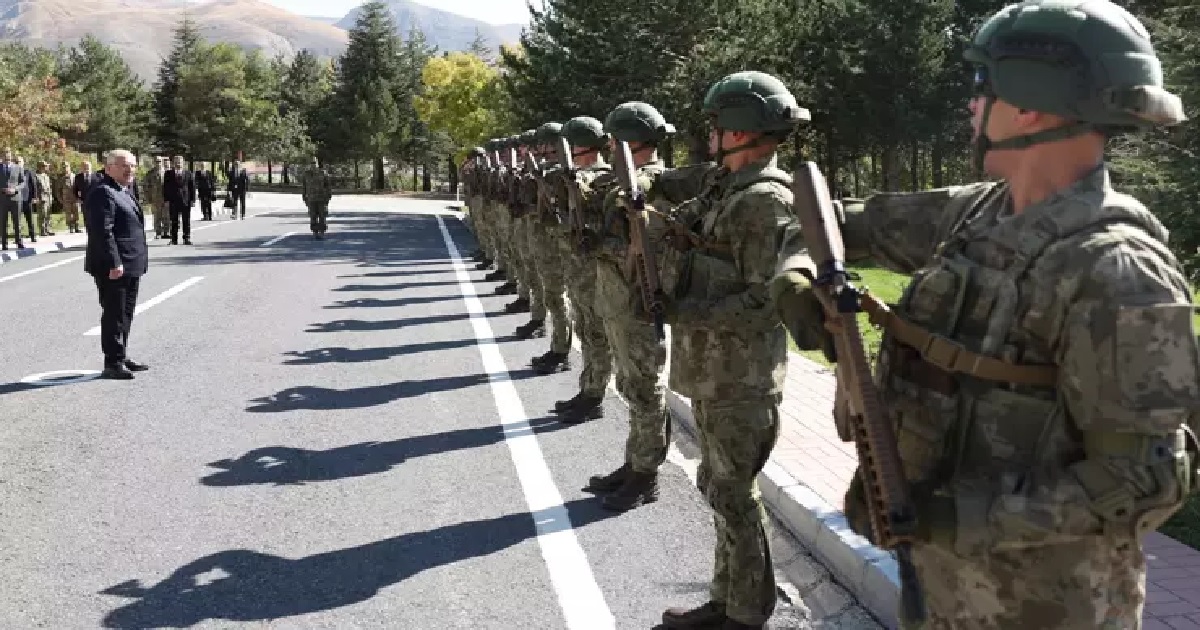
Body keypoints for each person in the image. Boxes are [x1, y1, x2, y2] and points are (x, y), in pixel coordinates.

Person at [773, 1, 1199, 627]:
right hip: (941, 580)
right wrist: (795, 278)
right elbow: (827, 222)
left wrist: (954, 517)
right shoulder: (977, 213)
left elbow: (1144, 479)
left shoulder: (1116, 271)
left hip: (1045, 607)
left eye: (981, 87)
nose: (971, 107)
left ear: (1028, 103)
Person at [657, 71, 809, 630]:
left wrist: (682, 311)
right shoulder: (727, 187)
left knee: (736, 497)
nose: (711, 133)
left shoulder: (763, 201)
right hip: (713, 372)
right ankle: (726, 600)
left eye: (719, 124)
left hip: (740, 378)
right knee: (719, 488)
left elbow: (767, 301)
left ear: (743, 130)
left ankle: (747, 614)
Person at [84, 149, 150, 380]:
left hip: (131, 263)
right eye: (124, 165)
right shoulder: (102, 192)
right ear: (109, 167)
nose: (130, 169)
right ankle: (112, 362)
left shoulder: (124, 189)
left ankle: (121, 354)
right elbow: (102, 231)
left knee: (126, 313)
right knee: (114, 313)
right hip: (113, 266)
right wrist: (114, 262)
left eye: (132, 165)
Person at [163, 155, 194, 245]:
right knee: (173, 220)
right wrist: (166, 200)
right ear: (173, 163)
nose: (178, 163)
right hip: (173, 200)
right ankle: (174, 239)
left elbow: (192, 187)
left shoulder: (188, 173)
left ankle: (186, 238)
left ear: (183, 163)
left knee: (186, 220)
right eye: (176, 162)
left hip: (185, 200)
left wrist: (192, 200)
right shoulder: (168, 174)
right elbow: (165, 187)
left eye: (180, 162)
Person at [301, 157, 332, 239]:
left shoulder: (323, 173)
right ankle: (315, 232)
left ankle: (322, 232)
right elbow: (304, 187)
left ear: (317, 164)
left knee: (322, 216)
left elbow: (328, 186)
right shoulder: (306, 174)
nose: (313, 165)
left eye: (314, 163)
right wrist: (304, 197)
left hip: (322, 198)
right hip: (311, 199)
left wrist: (328, 197)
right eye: (311, 163)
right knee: (313, 216)